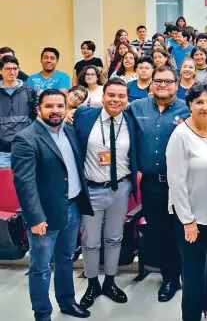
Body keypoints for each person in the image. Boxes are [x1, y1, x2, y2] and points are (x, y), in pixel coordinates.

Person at [12, 89, 93, 320]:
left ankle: (67, 302)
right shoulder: (26, 138)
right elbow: (25, 183)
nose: (55, 110)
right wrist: (35, 218)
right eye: (49, 106)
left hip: (72, 207)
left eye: (60, 106)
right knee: (40, 267)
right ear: (39, 109)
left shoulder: (69, 131)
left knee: (66, 258)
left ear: (67, 108)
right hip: (44, 215)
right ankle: (42, 313)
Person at [72, 78, 138, 309]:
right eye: (111, 95)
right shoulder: (83, 116)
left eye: (121, 96)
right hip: (91, 189)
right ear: (103, 95)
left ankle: (110, 281)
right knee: (90, 241)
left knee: (114, 238)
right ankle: (92, 284)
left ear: (127, 99)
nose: (116, 100)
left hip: (120, 188)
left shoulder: (131, 120)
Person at [126, 66, 190, 302]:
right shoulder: (136, 108)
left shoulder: (188, 109)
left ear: (177, 84)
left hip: (182, 184)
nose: (163, 85)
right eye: (158, 81)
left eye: (168, 81)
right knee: (160, 233)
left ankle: (187, 275)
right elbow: (110, 115)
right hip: (152, 184)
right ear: (151, 83)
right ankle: (170, 278)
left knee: (184, 231)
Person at [165, 82, 207, 321]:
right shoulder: (180, 135)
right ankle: (191, 316)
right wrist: (188, 221)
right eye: (199, 102)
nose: (205, 106)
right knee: (193, 273)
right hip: (191, 218)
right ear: (189, 104)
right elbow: (176, 182)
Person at [0, 55, 37, 168]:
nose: (12, 72)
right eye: (8, 69)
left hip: (25, 147)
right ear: (0, 71)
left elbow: (36, 117)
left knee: (26, 181)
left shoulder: (30, 91)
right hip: (2, 151)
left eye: (15, 68)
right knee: (5, 183)